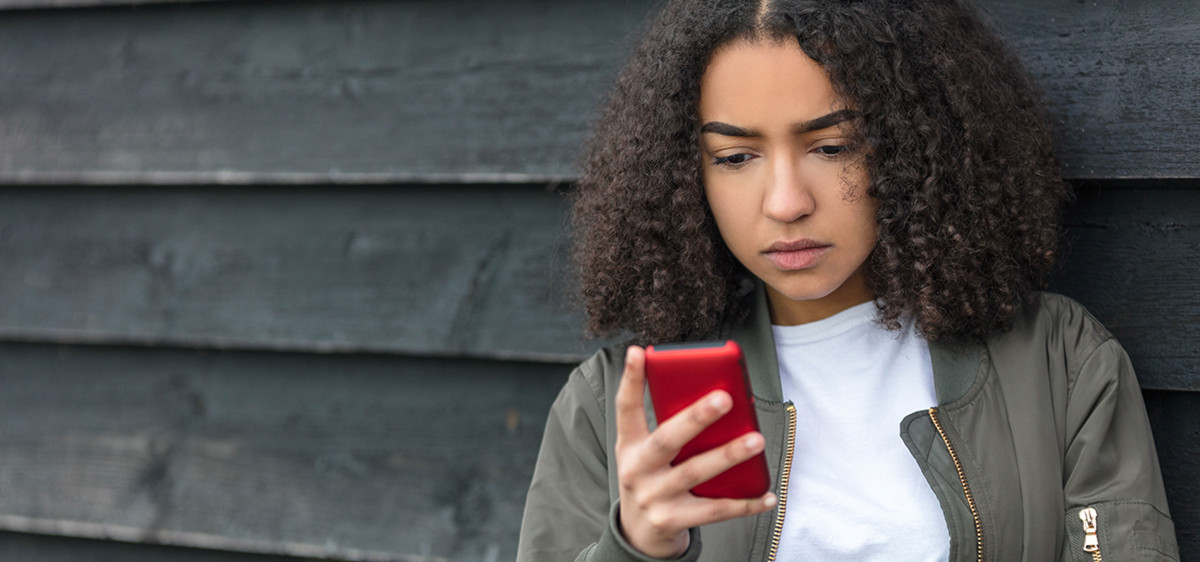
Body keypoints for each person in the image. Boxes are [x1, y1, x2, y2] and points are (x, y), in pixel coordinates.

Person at [517, 0, 1179, 560]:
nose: (785, 201)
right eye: (736, 156)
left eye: (832, 147)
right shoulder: (608, 409)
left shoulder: (1059, 362)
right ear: (688, 175)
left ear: (914, 143)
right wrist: (636, 547)